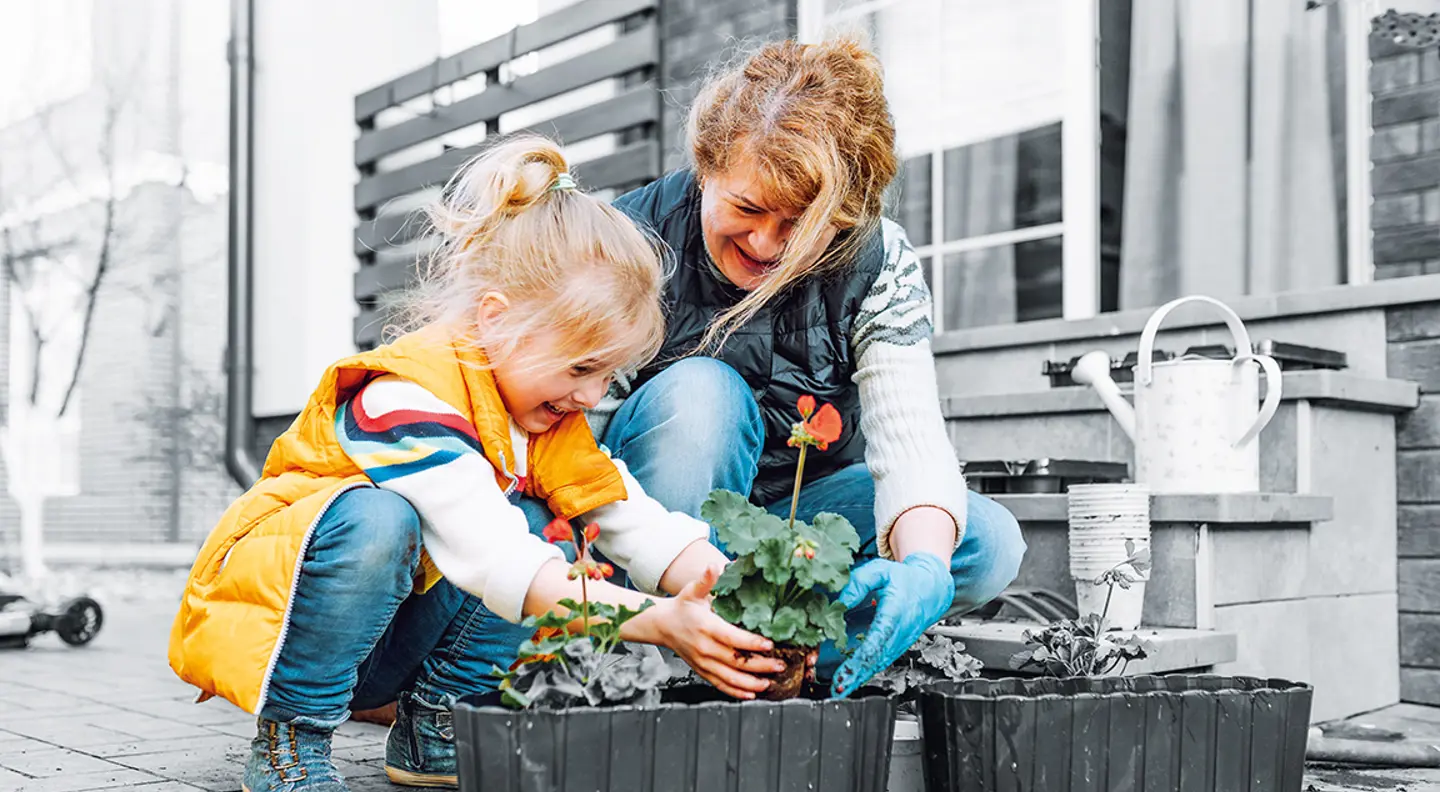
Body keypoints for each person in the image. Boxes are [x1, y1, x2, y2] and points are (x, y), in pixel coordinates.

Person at [167, 136, 786, 792]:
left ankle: (437, 725)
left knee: (553, 513)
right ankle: (291, 739)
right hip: (288, 627)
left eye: (607, 375)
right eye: (581, 368)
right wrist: (657, 621)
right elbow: (501, 560)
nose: (591, 397)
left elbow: (626, 515)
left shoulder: (541, 416)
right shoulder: (400, 397)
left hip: (386, 639)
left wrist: (732, 589)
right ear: (496, 319)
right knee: (381, 521)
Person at [570, 35, 1026, 696]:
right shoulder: (628, 243)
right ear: (707, 164)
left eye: (802, 225)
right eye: (748, 208)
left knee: (982, 542)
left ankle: (792, 656)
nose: (766, 243)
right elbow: (568, 438)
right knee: (702, 393)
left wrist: (924, 562)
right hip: (644, 522)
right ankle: (659, 652)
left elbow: (911, 438)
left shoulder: (874, 259)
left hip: (793, 515)